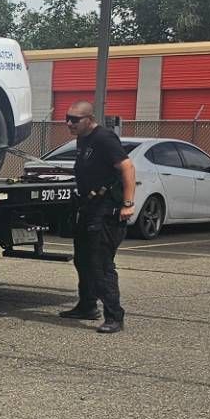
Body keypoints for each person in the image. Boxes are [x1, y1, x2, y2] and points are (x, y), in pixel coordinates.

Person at [57, 101, 135, 333]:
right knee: (82, 259)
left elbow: (127, 167)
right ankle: (87, 306)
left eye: (74, 119)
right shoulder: (83, 139)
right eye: (67, 118)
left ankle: (114, 316)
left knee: (100, 264)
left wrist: (128, 204)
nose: (69, 123)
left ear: (89, 119)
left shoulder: (104, 138)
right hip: (88, 207)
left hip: (106, 210)